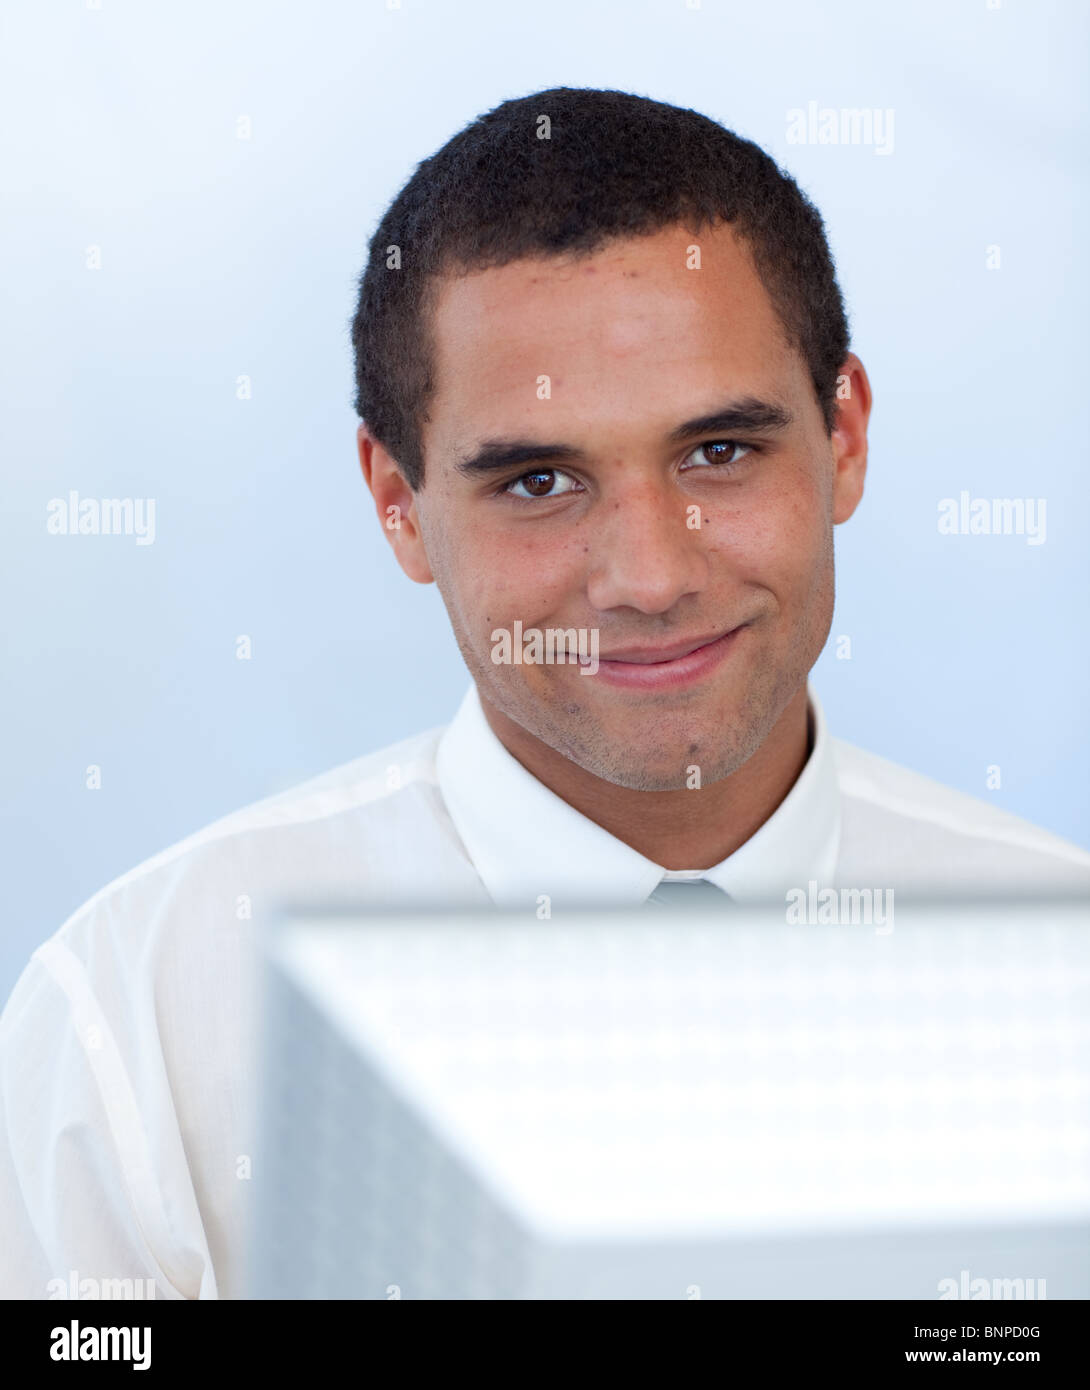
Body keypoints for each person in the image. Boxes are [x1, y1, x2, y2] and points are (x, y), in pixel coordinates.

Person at [2, 87, 1087, 1300]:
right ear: (396, 502)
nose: (651, 576)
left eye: (717, 451)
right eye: (536, 482)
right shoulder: (137, 1027)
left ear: (844, 438)